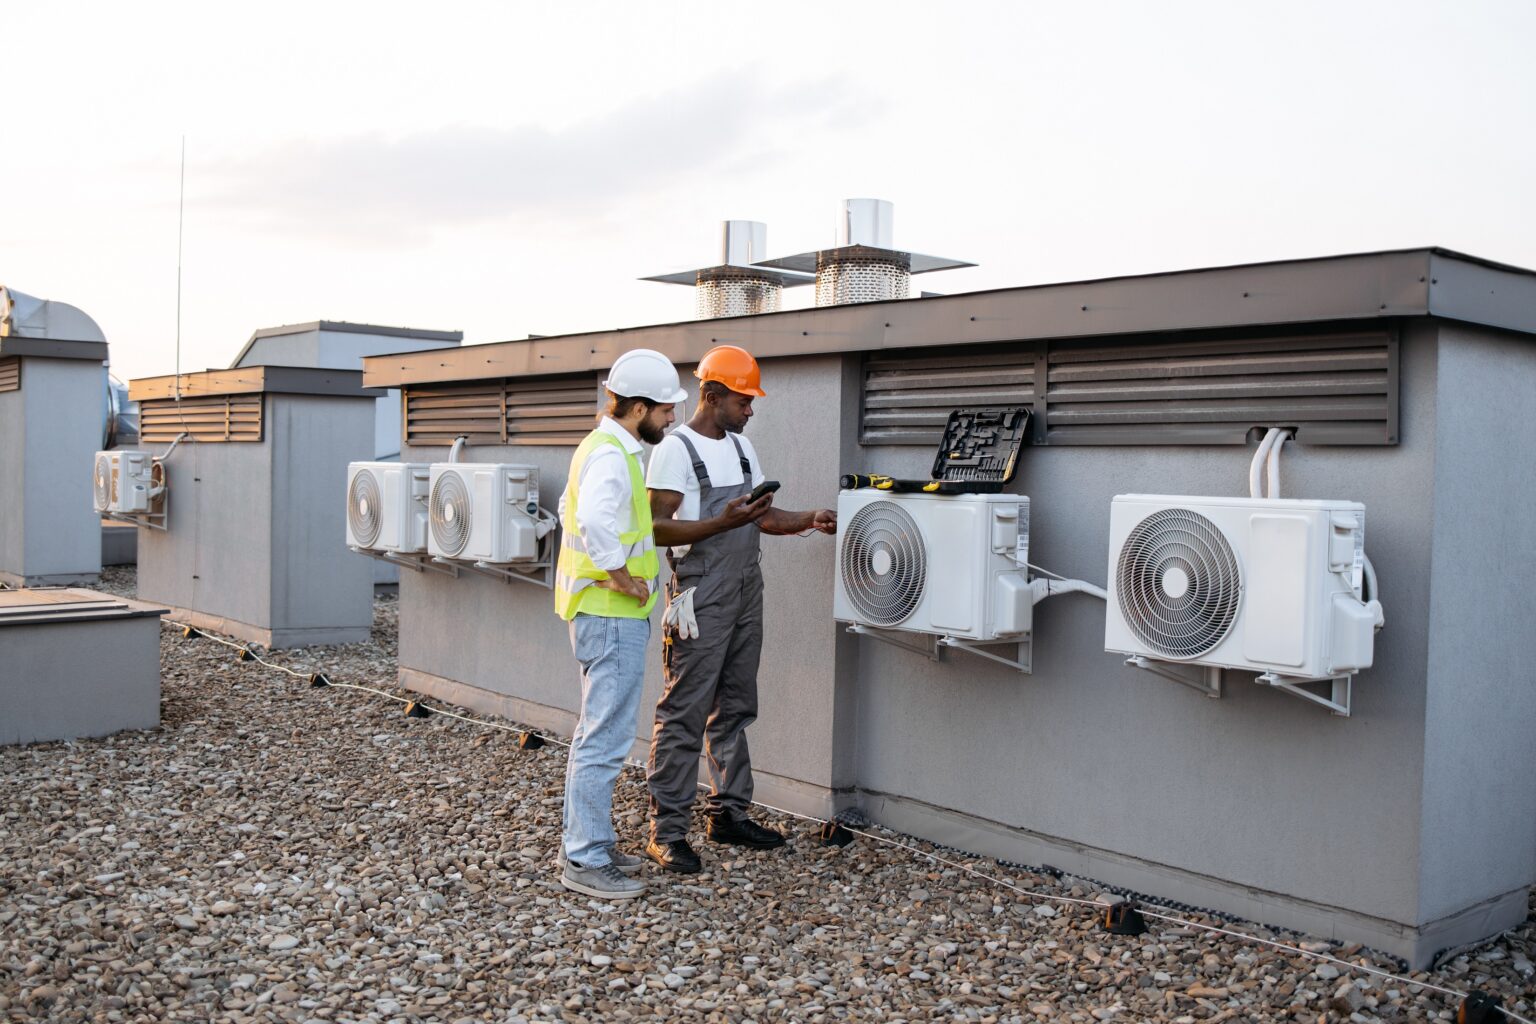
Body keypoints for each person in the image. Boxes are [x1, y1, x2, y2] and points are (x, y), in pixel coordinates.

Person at [642, 345, 836, 874]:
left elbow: (760, 519)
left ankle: (728, 813)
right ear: (712, 395)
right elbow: (655, 528)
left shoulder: (744, 450)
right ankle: (668, 830)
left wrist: (809, 518)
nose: (751, 410)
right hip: (700, 589)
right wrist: (721, 523)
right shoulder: (675, 450)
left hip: (747, 584)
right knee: (685, 706)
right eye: (744, 400)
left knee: (734, 702)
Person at [553, 347, 687, 899]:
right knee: (604, 737)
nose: (671, 418)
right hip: (611, 616)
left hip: (602, 613)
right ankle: (584, 858)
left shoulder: (604, 447)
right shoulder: (613, 454)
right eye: (665, 410)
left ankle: (595, 842)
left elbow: (567, 510)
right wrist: (623, 579)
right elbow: (590, 521)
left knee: (599, 732)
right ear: (638, 407)